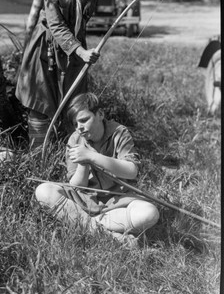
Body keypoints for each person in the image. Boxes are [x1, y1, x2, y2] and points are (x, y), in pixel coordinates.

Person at [15, 0, 183, 148]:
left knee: (76, 105)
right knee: (40, 106)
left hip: (75, 53)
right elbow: (55, 25)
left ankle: (73, 157)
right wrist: (81, 51)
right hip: (45, 51)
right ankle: (38, 157)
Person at [35, 92, 160, 246]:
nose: (79, 127)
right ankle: (112, 238)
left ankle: (87, 225)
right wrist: (84, 162)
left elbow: (131, 170)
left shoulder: (119, 132)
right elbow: (77, 185)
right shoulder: (75, 140)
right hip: (84, 203)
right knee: (43, 191)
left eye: (84, 120)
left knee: (149, 213)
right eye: (75, 124)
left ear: (100, 114)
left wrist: (92, 156)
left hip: (118, 204)